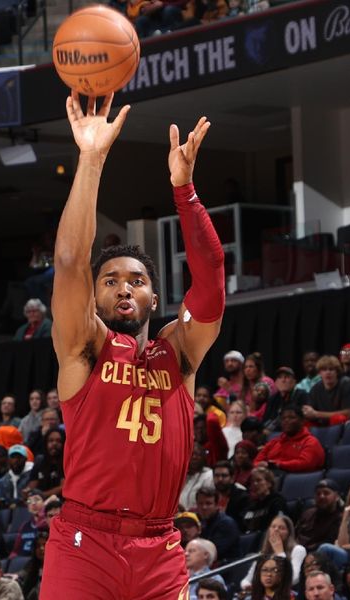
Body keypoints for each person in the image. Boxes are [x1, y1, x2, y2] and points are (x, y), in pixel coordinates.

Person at [41, 95, 223, 600]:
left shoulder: (179, 353)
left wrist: (184, 190)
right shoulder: (83, 347)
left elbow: (210, 283)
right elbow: (72, 258)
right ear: (94, 297)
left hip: (160, 547)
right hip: (84, 543)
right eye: (111, 281)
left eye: (137, 280)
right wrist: (92, 159)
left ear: (154, 296)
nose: (124, 288)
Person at [253, 404, 325, 473]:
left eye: (291, 417)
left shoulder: (310, 441)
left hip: (296, 479)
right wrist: (261, 465)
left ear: (302, 421)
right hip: (269, 476)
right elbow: (257, 461)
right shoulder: (274, 441)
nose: (286, 420)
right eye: (283, 418)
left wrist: (278, 465)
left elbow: (305, 464)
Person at [242, 515, 305, 591]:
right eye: (273, 526)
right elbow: (247, 580)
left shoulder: (298, 550)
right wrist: (247, 586)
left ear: (289, 533)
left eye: (281, 528)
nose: (276, 530)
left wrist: (279, 552)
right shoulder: (263, 554)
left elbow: (293, 579)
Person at [305, 356, 350, 426]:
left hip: (347, 425)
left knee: (338, 419)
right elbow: (310, 410)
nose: (328, 372)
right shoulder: (315, 388)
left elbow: (348, 413)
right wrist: (307, 412)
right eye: (324, 370)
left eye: (331, 369)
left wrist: (317, 414)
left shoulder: (346, 383)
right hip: (323, 424)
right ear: (319, 373)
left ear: (337, 372)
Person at [295, 479, 344, 553]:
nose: (321, 496)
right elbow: (295, 535)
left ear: (337, 497)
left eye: (326, 493)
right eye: (318, 493)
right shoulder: (307, 514)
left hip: (321, 555)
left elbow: (331, 543)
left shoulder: (341, 518)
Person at [195, 486, 239, 563]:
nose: (204, 507)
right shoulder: (197, 520)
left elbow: (212, 553)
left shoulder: (226, 523)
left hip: (225, 567)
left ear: (217, 505)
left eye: (208, 503)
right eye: (200, 503)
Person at [261, 367, 309, 435]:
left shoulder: (302, 395)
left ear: (294, 382)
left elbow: (301, 420)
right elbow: (265, 420)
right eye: (280, 377)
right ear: (276, 382)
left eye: (287, 377)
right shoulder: (272, 399)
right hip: (271, 432)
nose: (283, 380)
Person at [241, 466, 287, 534]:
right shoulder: (250, 505)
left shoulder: (277, 502)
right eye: (252, 481)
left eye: (258, 480)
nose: (255, 484)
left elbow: (279, 526)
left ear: (269, 483)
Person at [212, 460, 248, 529]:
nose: (220, 479)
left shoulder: (242, 498)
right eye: (217, 475)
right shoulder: (211, 496)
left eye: (224, 476)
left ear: (232, 478)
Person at [180, 443, 215, 511]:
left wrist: (185, 511)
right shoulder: (181, 475)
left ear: (203, 457)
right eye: (191, 454)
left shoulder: (209, 475)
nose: (194, 457)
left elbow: (207, 501)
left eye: (197, 454)